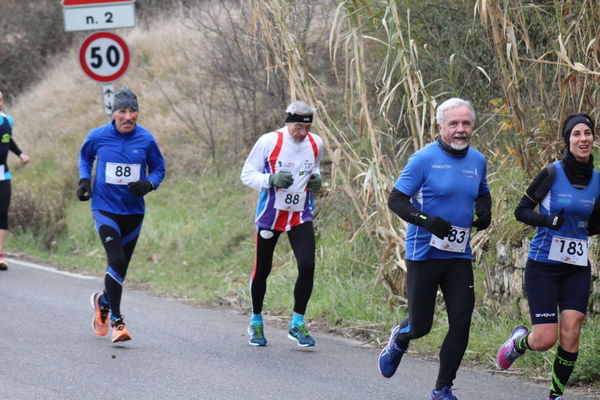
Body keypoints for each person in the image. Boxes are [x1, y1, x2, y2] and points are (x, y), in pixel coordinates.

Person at [378, 98, 492, 400]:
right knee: (421, 326)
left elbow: (482, 193)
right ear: (440, 126)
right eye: (453, 124)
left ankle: (443, 389)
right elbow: (397, 200)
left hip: (458, 256)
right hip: (424, 254)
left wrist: (485, 210)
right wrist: (426, 221)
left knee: (462, 321)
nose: (460, 130)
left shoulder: (477, 160)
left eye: (465, 123)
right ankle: (400, 337)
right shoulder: (423, 159)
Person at [496, 113, 599, 400]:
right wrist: (547, 221)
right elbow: (521, 211)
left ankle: (555, 395)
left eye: (587, 133)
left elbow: (594, 225)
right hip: (543, 266)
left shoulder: (598, 181)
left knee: (572, 329)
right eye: (576, 134)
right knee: (544, 339)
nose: (583, 138)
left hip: (576, 267)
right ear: (568, 140)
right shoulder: (552, 173)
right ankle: (517, 343)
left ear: (593, 138)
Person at [77, 87, 165, 343]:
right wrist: (84, 179)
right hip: (104, 209)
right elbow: (85, 156)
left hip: (133, 212)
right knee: (115, 259)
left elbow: (159, 168)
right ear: (114, 114)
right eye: (122, 111)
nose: (128, 116)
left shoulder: (146, 140)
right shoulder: (98, 136)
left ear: (138, 113)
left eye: (133, 111)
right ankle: (117, 321)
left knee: (120, 269)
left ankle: (102, 300)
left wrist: (149, 183)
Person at [240, 100, 324, 347]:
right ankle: (256, 322)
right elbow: (247, 174)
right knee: (263, 270)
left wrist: (317, 180)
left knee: (307, 265)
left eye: (306, 128)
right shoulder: (269, 141)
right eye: (298, 127)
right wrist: (270, 179)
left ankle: (297, 323)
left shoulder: (315, 143)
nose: (302, 133)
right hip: (270, 215)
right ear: (288, 122)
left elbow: (315, 168)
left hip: (300, 214)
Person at [0, 90, 30, 271]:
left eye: (0, 99)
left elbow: (7, 141)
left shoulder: (6, 122)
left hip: (3, 174)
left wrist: (20, 154)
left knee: (2, 212)